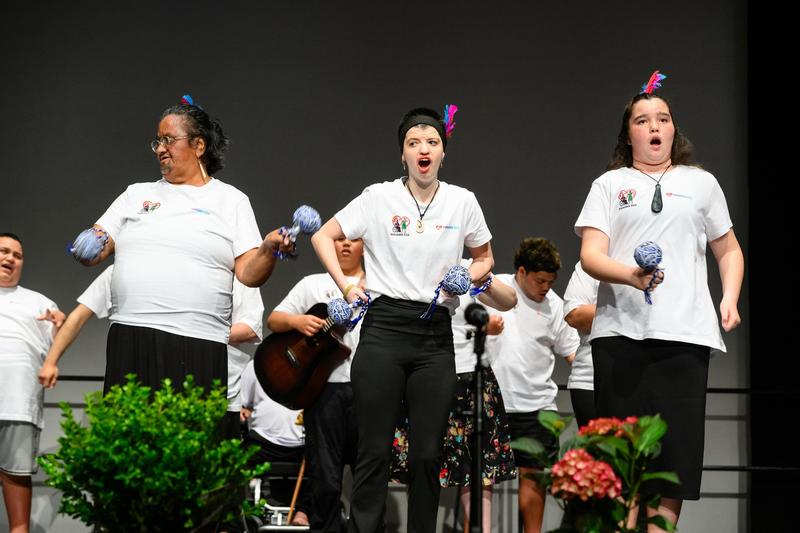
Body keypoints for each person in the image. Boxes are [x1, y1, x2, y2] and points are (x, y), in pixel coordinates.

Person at [311, 106, 494, 533]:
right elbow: (324, 234)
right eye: (414, 143)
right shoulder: (378, 197)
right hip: (383, 331)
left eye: (431, 142)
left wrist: (467, 274)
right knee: (373, 452)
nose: (423, 149)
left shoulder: (462, 201)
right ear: (403, 155)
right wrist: (346, 285)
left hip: (434, 337)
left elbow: (486, 258)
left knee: (428, 455)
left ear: (442, 153)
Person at [575, 72, 744, 531]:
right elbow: (591, 255)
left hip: (684, 338)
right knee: (622, 459)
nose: (654, 127)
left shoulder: (702, 183)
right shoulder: (609, 184)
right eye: (643, 120)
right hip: (620, 338)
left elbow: (727, 249)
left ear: (673, 131)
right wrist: (630, 275)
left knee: (676, 459)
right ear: (628, 134)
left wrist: (729, 298)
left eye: (663, 119)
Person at [69, 96, 291, 394]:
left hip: (197, 340)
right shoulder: (136, 194)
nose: (160, 148)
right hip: (130, 336)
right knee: (129, 437)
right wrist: (90, 245)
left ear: (199, 146)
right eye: (157, 141)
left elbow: (249, 274)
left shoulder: (231, 200)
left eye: (169, 140)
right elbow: (100, 241)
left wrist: (267, 250)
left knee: (190, 436)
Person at [37, 267, 265, 442]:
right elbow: (79, 316)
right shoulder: (124, 269)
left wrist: (199, 329)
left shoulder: (216, 273)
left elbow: (251, 327)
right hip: (143, 388)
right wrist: (50, 361)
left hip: (213, 390)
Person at [390, 258, 518, 533]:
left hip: (471, 376)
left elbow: (509, 300)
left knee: (478, 468)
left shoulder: (470, 265)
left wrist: (477, 278)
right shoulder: (414, 263)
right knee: (423, 461)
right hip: (425, 375)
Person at [267, 237, 364, 533]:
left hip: (369, 388)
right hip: (325, 389)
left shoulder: (381, 284)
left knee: (369, 476)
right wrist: (298, 322)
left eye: (353, 240)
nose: (345, 246)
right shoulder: (313, 283)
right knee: (325, 476)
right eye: (339, 240)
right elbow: (274, 319)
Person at [488, 237, 579, 533]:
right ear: (522, 272)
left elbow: (571, 353)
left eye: (551, 282)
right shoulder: (495, 288)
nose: (545, 288)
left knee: (533, 479)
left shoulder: (555, 306)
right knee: (481, 481)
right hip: (493, 402)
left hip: (537, 407)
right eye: (540, 280)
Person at [0, 232, 65, 533]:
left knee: (15, 476)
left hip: (17, 404)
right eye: (3, 251)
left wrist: (59, 325)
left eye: (17, 254)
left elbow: (56, 349)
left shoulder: (39, 303)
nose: (10, 258)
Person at [238, 360, 310, 526]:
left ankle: (303, 511)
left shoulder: (313, 365)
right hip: (263, 439)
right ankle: (240, 515)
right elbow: (244, 403)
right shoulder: (257, 363)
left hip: (303, 444)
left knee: (327, 462)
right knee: (233, 462)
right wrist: (242, 411)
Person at [562, 261, 599, 428]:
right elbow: (574, 315)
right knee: (594, 452)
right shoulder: (593, 262)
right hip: (591, 379)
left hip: (653, 377)